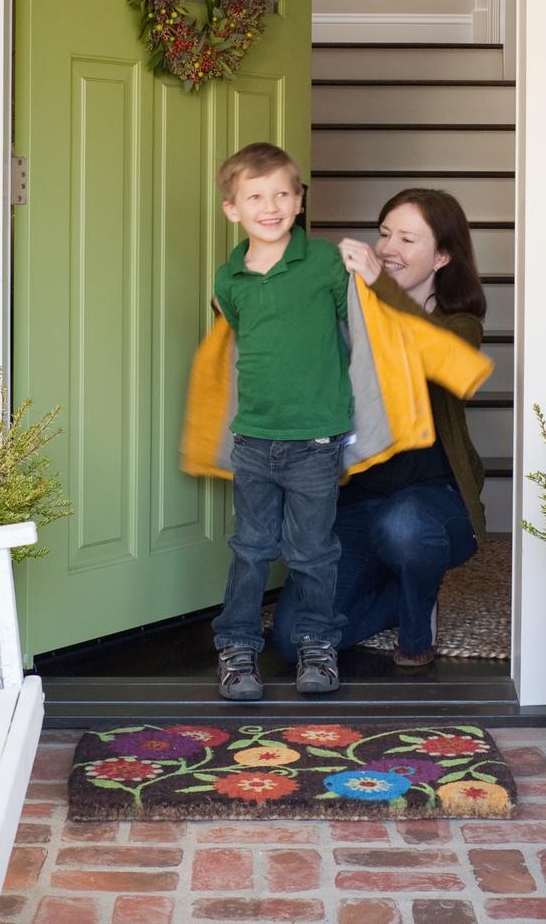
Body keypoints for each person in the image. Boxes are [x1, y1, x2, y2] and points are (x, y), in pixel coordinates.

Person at [272, 188, 487, 667]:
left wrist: (380, 289)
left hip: (434, 501)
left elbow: (440, 357)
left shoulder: (460, 324)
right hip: (358, 500)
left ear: (442, 257)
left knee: (405, 527)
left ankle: (417, 631)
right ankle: (405, 589)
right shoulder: (347, 311)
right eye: (385, 233)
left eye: (408, 239)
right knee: (295, 639)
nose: (388, 248)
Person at [210, 142, 352, 701]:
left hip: (316, 439)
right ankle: (237, 646)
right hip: (253, 439)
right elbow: (238, 338)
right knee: (250, 547)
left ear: (298, 201)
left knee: (313, 551)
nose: (269, 206)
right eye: (255, 196)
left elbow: (364, 330)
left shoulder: (323, 263)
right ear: (233, 210)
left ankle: (317, 644)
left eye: (281, 194)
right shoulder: (230, 280)